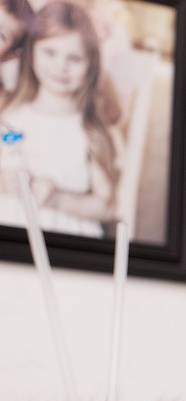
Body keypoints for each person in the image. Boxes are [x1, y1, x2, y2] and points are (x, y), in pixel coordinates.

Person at [0, 1, 117, 237]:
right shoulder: (7, 110)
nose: (61, 66)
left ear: (90, 64)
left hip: (64, 245)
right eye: (50, 52)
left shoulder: (89, 129)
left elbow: (107, 205)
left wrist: (59, 200)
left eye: (74, 58)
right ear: (31, 53)